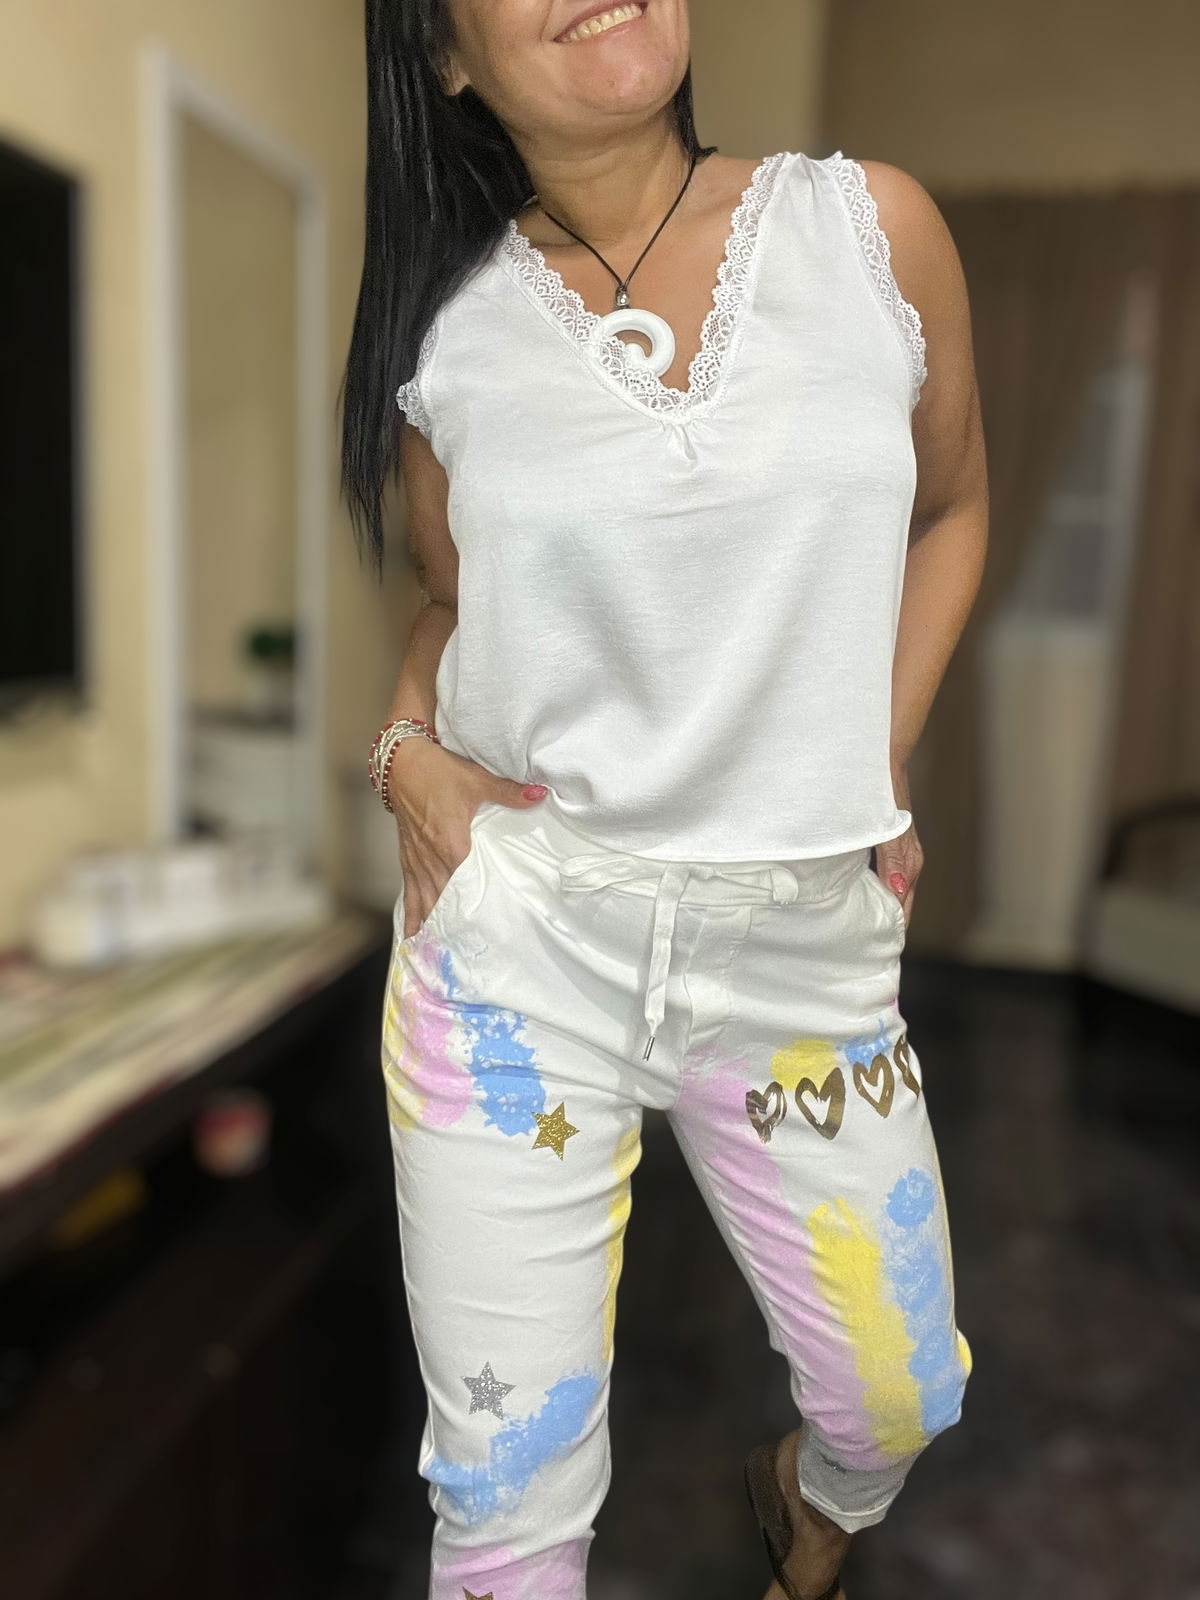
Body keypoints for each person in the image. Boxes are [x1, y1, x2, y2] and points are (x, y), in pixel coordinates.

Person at [339, 3, 988, 1597]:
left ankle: (811, 1509)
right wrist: (403, 748)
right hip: (527, 954)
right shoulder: (449, 330)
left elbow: (954, 507)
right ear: (444, 55)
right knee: (507, 1515)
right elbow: (452, 606)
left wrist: (875, 759)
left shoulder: (873, 227)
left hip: (799, 951)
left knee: (898, 1400)